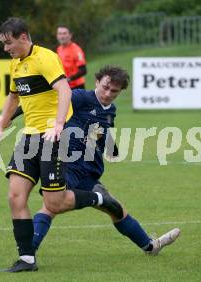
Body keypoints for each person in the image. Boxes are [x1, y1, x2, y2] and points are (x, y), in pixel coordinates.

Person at [0, 17, 121, 273]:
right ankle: (27, 258)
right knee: (15, 196)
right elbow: (14, 96)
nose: (6, 49)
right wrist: (1, 126)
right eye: (3, 44)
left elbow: (64, 90)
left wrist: (59, 123)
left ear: (24, 37)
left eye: (9, 43)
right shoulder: (15, 64)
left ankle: (98, 198)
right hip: (29, 137)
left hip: (52, 138)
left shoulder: (45, 58)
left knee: (55, 203)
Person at [32, 65, 181, 255]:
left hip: (88, 170)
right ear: (97, 82)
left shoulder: (111, 109)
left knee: (116, 209)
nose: (108, 93)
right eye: (105, 87)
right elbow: (46, 102)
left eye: (114, 91)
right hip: (67, 165)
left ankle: (150, 247)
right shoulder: (79, 97)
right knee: (52, 206)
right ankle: (28, 254)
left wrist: (111, 148)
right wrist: (7, 119)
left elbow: (103, 130)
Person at [56, 25, 87, 89]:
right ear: (57, 36)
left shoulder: (76, 49)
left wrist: (69, 79)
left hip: (77, 86)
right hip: (65, 86)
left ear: (70, 35)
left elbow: (83, 70)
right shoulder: (59, 49)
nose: (62, 36)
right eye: (60, 34)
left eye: (64, 33)